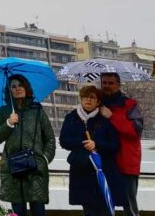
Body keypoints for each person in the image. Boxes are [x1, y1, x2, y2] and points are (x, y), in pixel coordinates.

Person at [0, 74, 56, 216]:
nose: (17, 89)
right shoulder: (4, 111)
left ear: (26, 88)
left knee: (38, 210)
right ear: (9, 91)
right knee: (17, 212)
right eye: (13, 86)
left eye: (20, 85)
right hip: (14, 170)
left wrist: (44, 159)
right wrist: (8, 123)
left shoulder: (37, 110)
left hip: (36, 169)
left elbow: (50, 138)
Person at [60, 85, 122, 216]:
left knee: (105, 209)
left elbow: (115, 144)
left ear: (98, 101)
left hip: (103, 172)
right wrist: (83, 143)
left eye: (92, 97)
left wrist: (96, 144)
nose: (88, 100)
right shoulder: (72, 118)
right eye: (85, 97)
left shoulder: (105, 119)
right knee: (89, 210)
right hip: (82, 172)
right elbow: (64, 141)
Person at [100, 72, 143, 216]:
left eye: (111, 83)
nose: (107, 86)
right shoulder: (97, 105)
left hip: (125, 163)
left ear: (118, 85)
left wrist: (112, 116)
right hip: (103, 163)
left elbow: (135, 131)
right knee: (101, 205)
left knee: (129, 205)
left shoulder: (130, 105)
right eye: (104, 83)